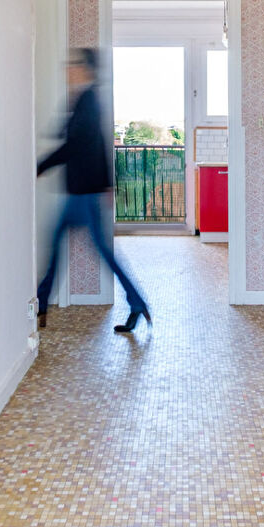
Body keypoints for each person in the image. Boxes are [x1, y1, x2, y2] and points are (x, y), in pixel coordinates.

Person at [36, 48, 152, 333]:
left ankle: (136, 302)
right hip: (82, 191)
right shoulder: (83, 99)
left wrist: (40, 165)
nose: (68, 70)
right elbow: (91, 141)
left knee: (96, 251)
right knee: (60, 244)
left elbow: (77, 144)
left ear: (85, 69)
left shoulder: (89, 100)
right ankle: (40, 303)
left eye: (73, 65)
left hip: (84, 194)